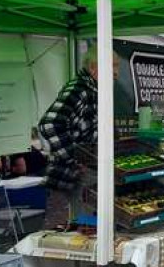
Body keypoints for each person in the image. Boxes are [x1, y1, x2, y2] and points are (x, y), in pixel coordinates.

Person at [38, 46, 111, 192]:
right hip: (79, 174)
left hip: (87, 171)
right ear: (93, 67)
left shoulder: (93, 89)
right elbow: (49, 124)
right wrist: (75, 158)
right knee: (86, 214)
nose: (116, 72)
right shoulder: (79, 88)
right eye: (112, 65)